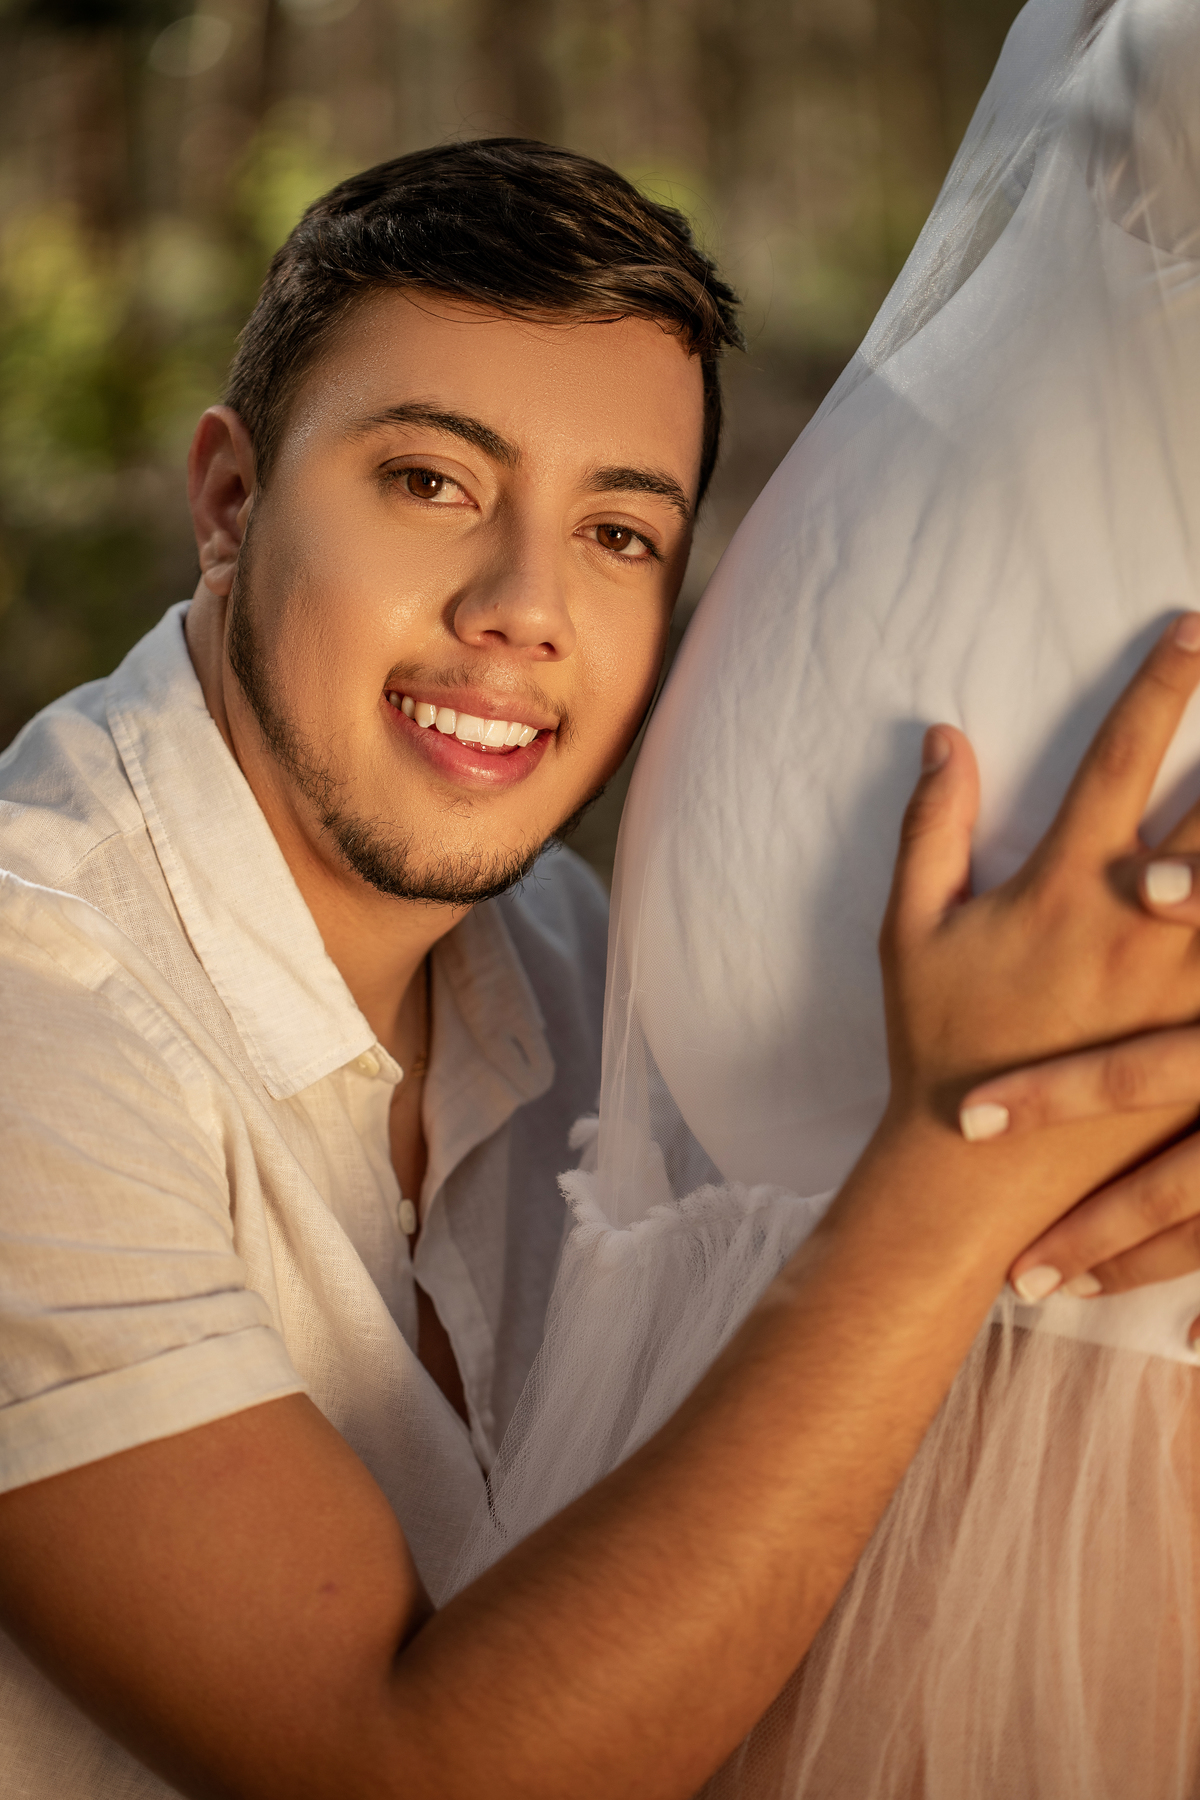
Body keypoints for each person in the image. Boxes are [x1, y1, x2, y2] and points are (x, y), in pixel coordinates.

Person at [1, 120, 1199, 1800]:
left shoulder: (573, 961)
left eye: (619, 534)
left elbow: (830, 1403)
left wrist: (1128, 1124)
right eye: (431, 483)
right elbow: (401, 1773)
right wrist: (971, 1153)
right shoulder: (32, 1013)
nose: (523, 607)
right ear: (227, 499)